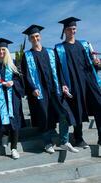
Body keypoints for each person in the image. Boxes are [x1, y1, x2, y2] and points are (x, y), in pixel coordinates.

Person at [21, 25, 78, 154]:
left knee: (64, 114)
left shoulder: (51, 52)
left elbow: (59, 70)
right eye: (32, 37)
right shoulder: (27, 56)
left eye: (36, 36)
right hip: (40, 91)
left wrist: (63, 84)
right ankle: (48, 143)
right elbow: (27, 75)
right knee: (45, 117)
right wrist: (32, 88)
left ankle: (64, 141)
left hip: (55, 89)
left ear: (40, 37)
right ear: (30, 40)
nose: (35, 39)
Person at [55, 17, 101, 148]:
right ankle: (79, 138)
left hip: (89, 80)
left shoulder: (84, 44)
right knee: (78, 108)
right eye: (69, 29)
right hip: (74, 81)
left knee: (99, 105)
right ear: (64, 30)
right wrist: (63, 83)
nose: (72, 31)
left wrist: (96, 63)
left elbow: (91, 63)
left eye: (74, 28)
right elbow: (58, 69)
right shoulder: (59, 48)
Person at [0, 38, 25, 159]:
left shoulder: (13, 64)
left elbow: (20, 79)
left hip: (13, 97)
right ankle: (4, 134)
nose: (1, 52)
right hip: (0, 96)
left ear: (7, 51)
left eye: (3, 49)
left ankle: (14, 148)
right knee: (2, 118)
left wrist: (13, 82)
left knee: (14, 122)